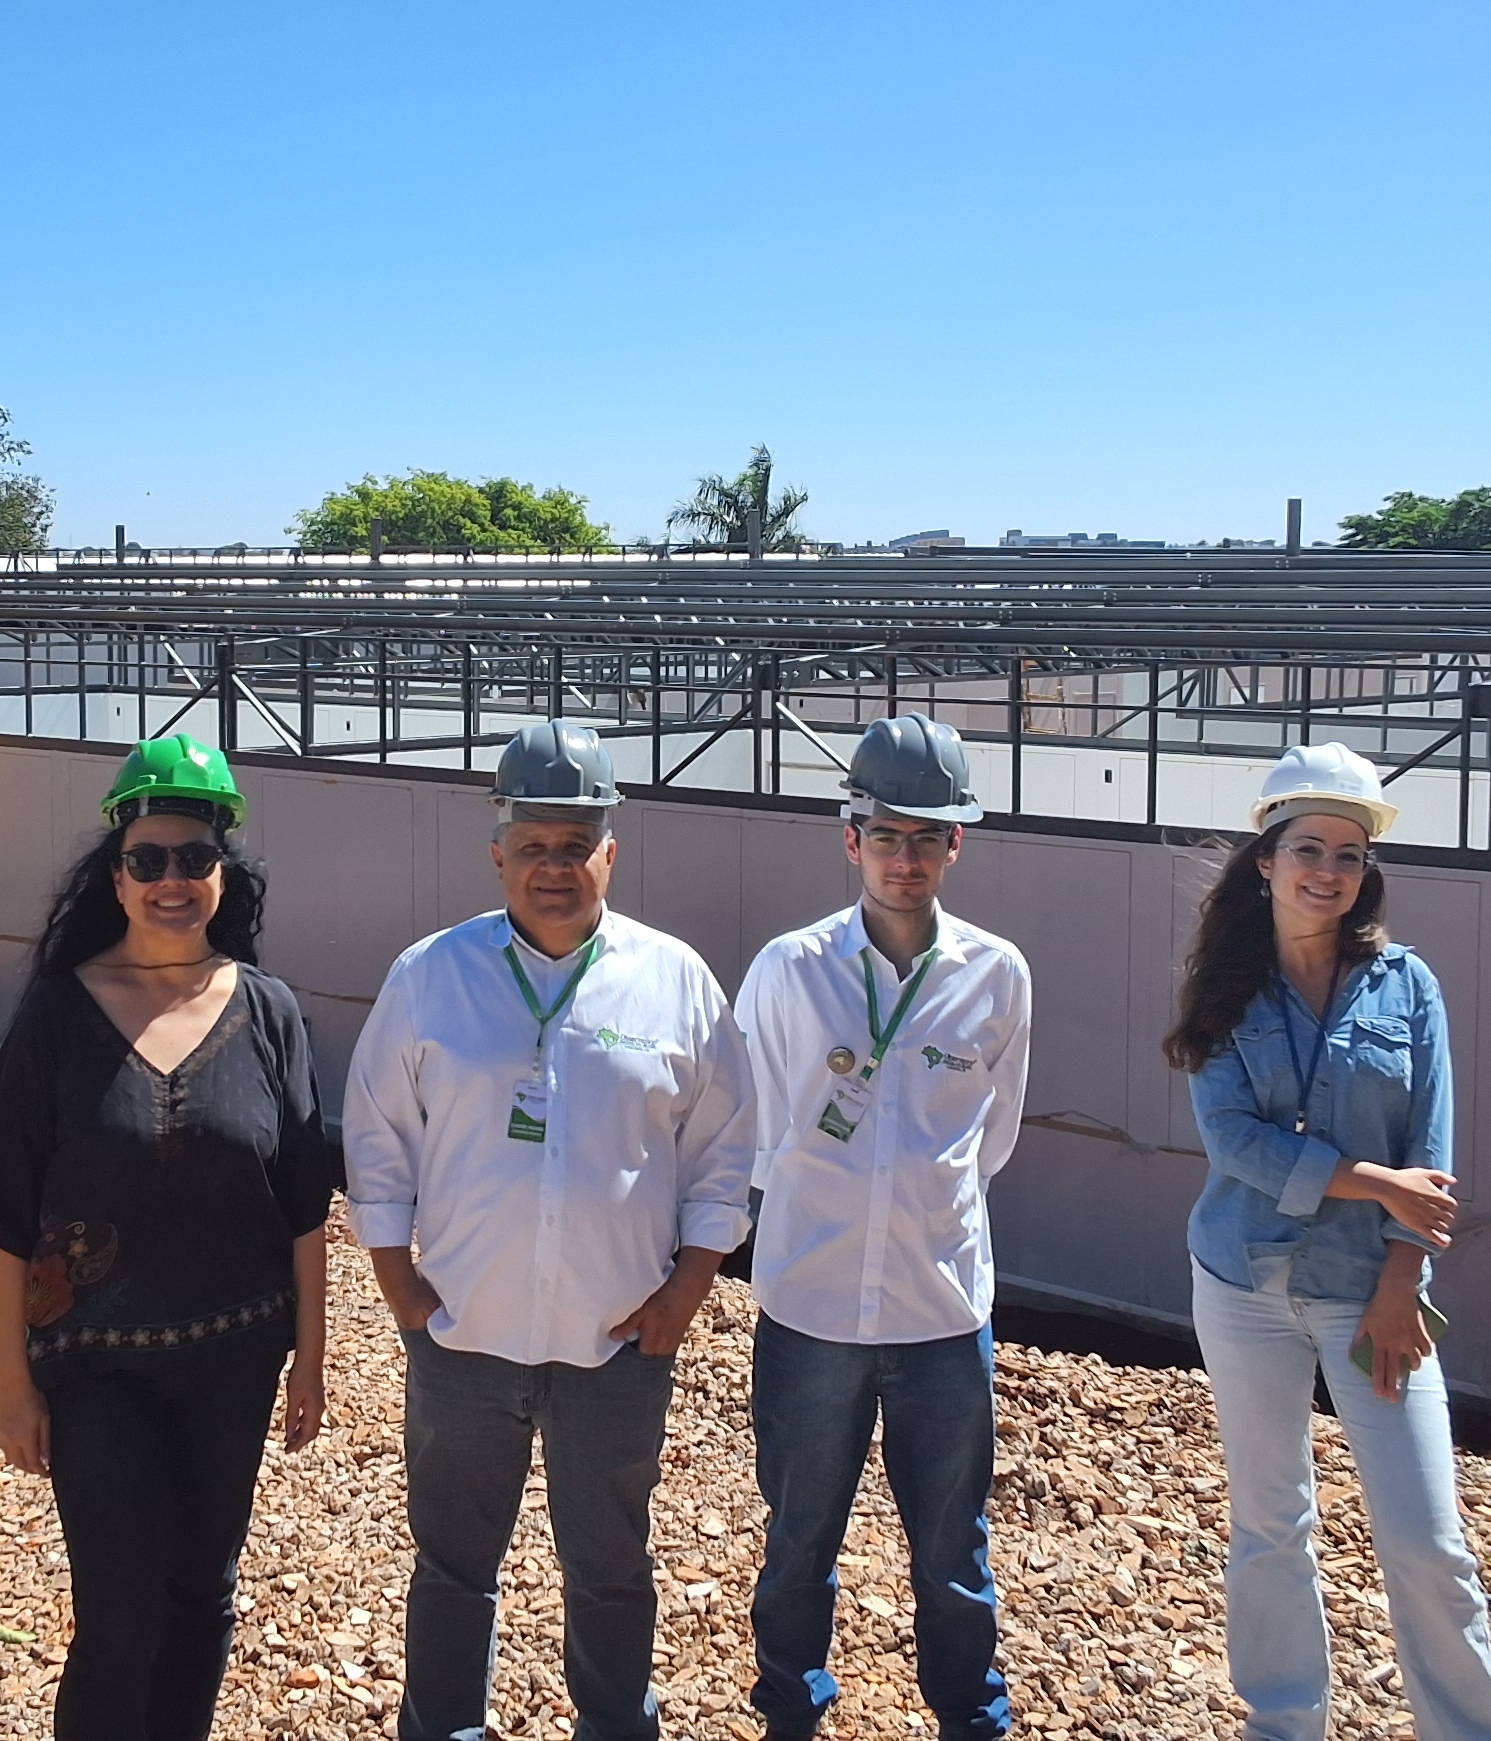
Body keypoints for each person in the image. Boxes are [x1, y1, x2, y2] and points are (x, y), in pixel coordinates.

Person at [341, 719, 758, 1741]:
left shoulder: (676, 983)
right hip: (464, 1337)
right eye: (533, 845)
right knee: (452, 1566)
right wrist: (399, 1283)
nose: (555, 867)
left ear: (612, 852)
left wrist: (687, 1291)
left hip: (616, 1343)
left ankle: (616, 1725)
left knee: (611, 1566)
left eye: (577, 844)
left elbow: (724, 1148)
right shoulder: (430, 976)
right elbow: (378, 1134)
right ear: (498, 855)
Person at [0, 736, 336, 1741]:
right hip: (98, 1368)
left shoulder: (268, 1012)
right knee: (119, 1615)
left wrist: (311, 1357)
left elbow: (305, 1202)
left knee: (202, 1596)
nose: (172, 880)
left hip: (235, 1357)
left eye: (194, 858)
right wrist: (15, 1384)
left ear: (224, 873)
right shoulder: (58, 1014)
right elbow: (6, 1216)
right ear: (117, 876)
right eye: (148, 860)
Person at [1162, 743, 1491, 1741]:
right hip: (1244, 1284)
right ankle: (1284, 1724)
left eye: (1349, 854)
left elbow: (1430, 1155)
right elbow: (1234, 1143)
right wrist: (1374, 1182)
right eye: (1309, 848)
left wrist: (1404, 1277)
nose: (1328, 870)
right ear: (1266, 861)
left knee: (1427, 1537)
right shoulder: (1224, 988)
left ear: (1367, 871)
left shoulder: (1408, 986)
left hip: (1373, 1292)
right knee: (1270, 1524)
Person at [732, 715, 1032, 1741]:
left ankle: (970, 1717)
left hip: (941, 1314)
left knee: (954, 1551)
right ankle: (791, 1711)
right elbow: (755, 1125)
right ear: (850, 838)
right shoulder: (791, 969)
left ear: (958, 845)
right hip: (811, 1312)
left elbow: (991, 1139)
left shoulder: (997, 975)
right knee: (798, 1542)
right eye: (887, 836)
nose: (907, 859)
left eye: (928, 838)